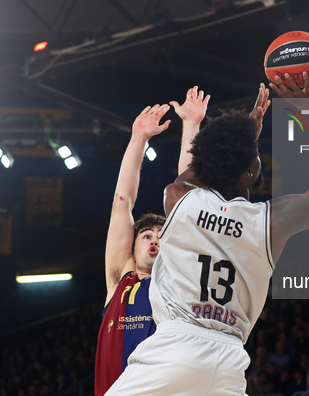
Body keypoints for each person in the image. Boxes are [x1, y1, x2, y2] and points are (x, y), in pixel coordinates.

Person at [105, 74, 309, 395]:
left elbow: (194, 168)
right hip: (229, 361)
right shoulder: (274, 220)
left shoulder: (179, 197)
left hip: (175, 346)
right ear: (254, 169)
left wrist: (243, 135)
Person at [94, 87, 210, 395]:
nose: (154, 241)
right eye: (146, 236)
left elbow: (188, 194)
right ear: (131, 250)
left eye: (161, 236)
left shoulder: (175, 279)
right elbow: (122, 202)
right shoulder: (120, 278)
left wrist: (191, 125)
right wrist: (138, 138)